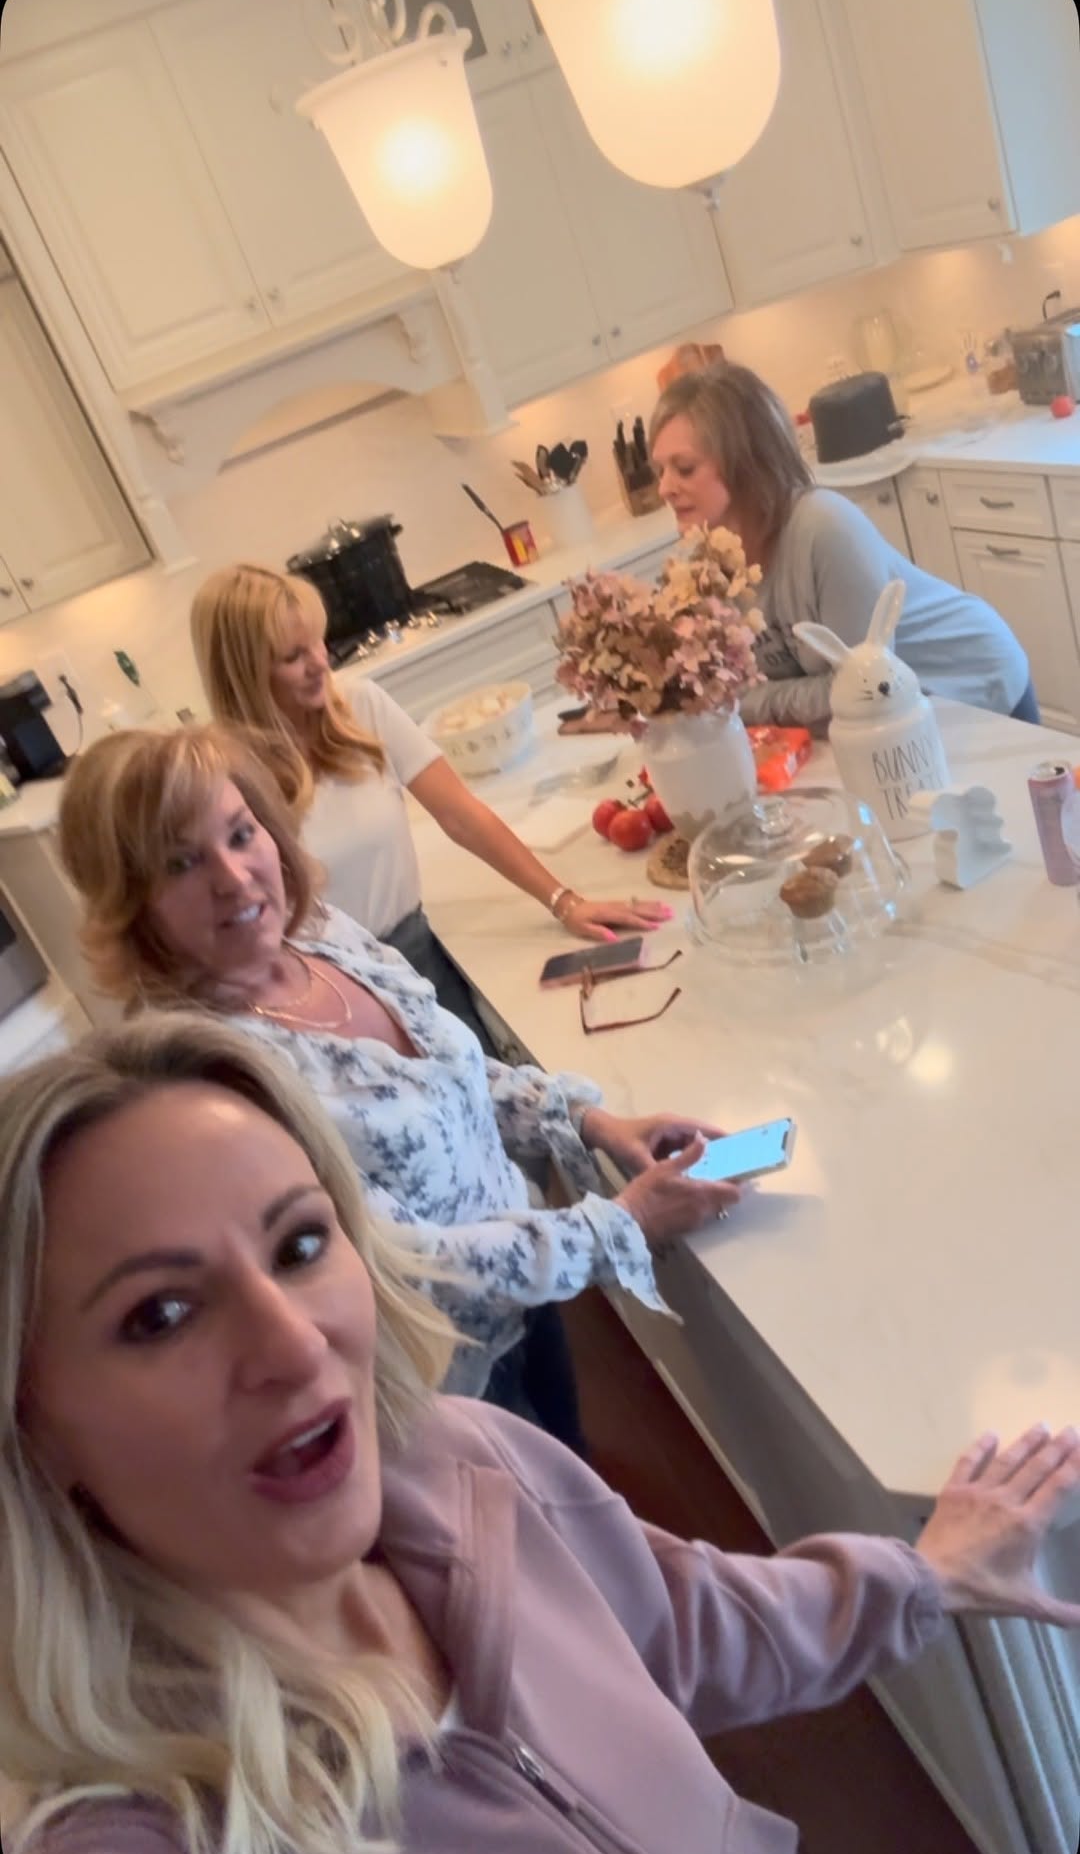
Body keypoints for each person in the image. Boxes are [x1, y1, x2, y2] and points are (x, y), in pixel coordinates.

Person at [4, 1012, 1079, 1854]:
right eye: (161, 1315)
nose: (293, 1345)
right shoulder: (134, 1846)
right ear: (32, 1422)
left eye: (299, 1244)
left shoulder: (464, 1459)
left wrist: (923, 1577)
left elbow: (675, 1625)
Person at [55, 723, 741, 1433]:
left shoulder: (321, 935)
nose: (233, 878)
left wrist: (588, 1119)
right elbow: (404, 1266)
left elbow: (448, 1073)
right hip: (449, 1381)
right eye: (179, 864)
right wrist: (622, 1225)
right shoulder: (217, 1082)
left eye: (240, 833)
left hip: (530, 1290)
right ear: (131, 905)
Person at [190, 561, 673, 1043]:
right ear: (245, 673)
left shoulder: (360, 706)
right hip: (328, 992)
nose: (321, 662)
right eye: (293, 656)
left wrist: (565, 902)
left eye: (318, 641)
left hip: (416, 952)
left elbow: (460, 814)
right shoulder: (227, 778)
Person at [649, 362, 1038, 729]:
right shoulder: (705, 564)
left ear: (746, 462)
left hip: (971, 687)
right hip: (884, 723)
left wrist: (739, 702)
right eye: (660, 471)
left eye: (684, 469)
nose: (665, 488)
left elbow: (862, 687)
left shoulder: (824, 527)